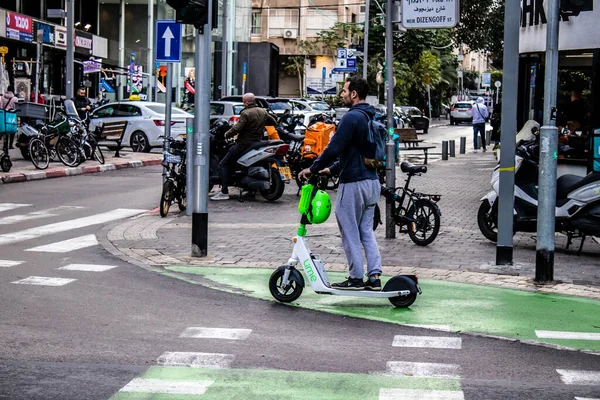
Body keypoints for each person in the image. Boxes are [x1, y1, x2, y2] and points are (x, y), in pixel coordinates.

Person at [298, 76, 382, 291]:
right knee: (366, 231)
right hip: (372, 182)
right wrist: (332, 169)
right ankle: (374, 276)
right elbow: (354, 152)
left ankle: (355, 278)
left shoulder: (351, 117)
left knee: (349, 230)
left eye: (344, 90)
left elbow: (334, 148)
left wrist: (313, 168)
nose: (342, 94)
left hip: (353, 184)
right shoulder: (369, 116)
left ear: (354, 94)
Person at [211, 92, 276, 201]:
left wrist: (227, 134)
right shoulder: (262, 111)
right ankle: (250, 190)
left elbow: (237, 128)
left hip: (244, 143)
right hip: (258, 141)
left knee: (224, 164)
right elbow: (273, 121)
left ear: (245, 102)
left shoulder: (245, 113)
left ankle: (224, 191)